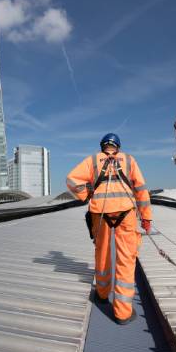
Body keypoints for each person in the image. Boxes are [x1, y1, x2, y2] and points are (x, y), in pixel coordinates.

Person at [66, 132, 152, 325]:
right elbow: (141, 190)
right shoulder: (129, 160)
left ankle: (102, 295)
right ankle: (122, 313)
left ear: (102, 146)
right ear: (118, 147)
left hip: (100, 212)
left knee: (102, 254)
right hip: (126, 212)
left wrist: (86, 194)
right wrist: (146, 217)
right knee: (126, 259)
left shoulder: (93, 160)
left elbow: (71, 180)